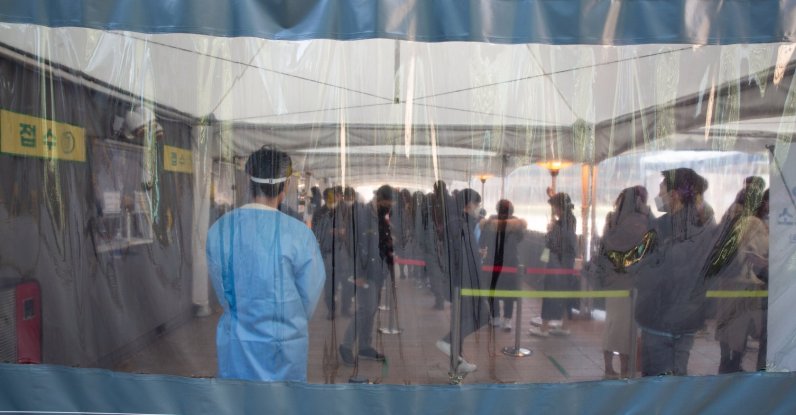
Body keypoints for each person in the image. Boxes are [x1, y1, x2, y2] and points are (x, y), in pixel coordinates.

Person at [206, 146, 325, 382]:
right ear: (286, 186)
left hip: (238, 342)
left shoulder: (221, 229)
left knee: (238, 402)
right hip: (284, 346)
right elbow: (309, 298)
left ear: (248, 180)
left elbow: (223, 293)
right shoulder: (299, 235)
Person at [634, 167, 716, 376]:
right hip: (688, 321)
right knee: (676, 385)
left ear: (675, 195)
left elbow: (645, 269)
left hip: (659, 320)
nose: (659, 195)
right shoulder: (705, 227)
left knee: (655, 387)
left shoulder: (661, 227)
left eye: (662, 189)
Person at [703, 177, 768, 373]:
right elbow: (764, 247)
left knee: (725, 322)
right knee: (741, 323)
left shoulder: (730, 214)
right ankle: (734, 362)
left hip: (726, 278)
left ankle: (725, 361)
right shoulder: (754, 222)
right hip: (745, 281)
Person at [595, 186, 655, 379]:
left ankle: (608, 366)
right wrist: (648, 214)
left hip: (612, 280)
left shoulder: (612, 219)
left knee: (611, 324)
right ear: (639, 201)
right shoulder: (639, 221)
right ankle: (624, 369)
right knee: (626, 329)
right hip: (630, 282)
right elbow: (646, 247)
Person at [339, 185, 395, 365]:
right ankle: (346, 345)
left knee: (371, 310)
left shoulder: (382, 215)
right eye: (387, 203)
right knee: (365, 309)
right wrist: (358, 272)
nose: (389, 207)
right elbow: (355, 243)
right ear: (379, 199)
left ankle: (365, 346)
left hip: (377, 270)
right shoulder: (363, 213)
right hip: (365, 271)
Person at [435, 188, 489, 374]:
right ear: (468, 204)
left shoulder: (460, 221)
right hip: (463, 282)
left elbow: (463, 252)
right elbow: (459, 256)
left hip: (462, 280)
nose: (478, 208)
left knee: (464, 319)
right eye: (476, 204)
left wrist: (477, 254)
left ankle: (456, 362)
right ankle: (448, 343)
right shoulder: (459, 223)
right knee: (480, 315)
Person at [530, 193, 578, 337]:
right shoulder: (569, 219)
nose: (554, 210)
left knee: (551, 292)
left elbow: (557, 242)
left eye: (555, 207)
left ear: (559, 207)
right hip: (565, 262)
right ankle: (564, 325)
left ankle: (544, 328)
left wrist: (552, 229)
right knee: (564, 294)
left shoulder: (564, 222)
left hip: (558, 262)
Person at [480, 199, 527, 331]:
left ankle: (495, 317)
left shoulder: (489, 222)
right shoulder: (517, 224)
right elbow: (520, 238)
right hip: (511, 261)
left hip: (493, 261)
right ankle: (508, 320)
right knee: (509, 292)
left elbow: (483, 240)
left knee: (493, 290)